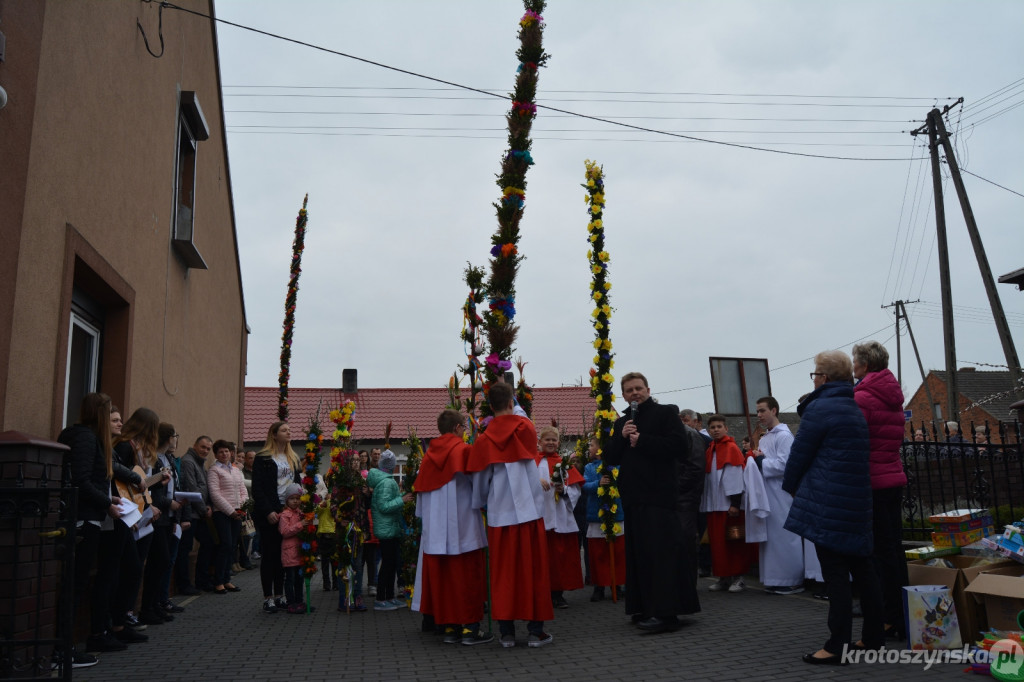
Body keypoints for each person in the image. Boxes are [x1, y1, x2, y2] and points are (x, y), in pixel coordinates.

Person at [783, 350, 883, 665]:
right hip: (856, 501)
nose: (814, 379)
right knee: (864, 572)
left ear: (823, 378)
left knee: (836, 575)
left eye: (815, 374)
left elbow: (800, 453)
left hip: (828, 502)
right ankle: (873, 638)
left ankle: (836, 645)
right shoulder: (853, 407)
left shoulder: (820, 408)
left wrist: (791, 488)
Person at [604, 372, 698, 634]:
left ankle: (667, 613)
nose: (635, 393)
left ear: (648, 389)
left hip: (659, 496)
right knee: (639, 555)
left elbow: (680, 446)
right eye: (629, 390)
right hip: (634, 498)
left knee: (661, 555)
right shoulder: (622, 420)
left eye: (638, 388)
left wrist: (643, 440)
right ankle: (644, 607)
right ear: (623, 395)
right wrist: (621, 437)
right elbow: (611, 457)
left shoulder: (665, 414)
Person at [468, 381, 553, 648]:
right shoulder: (525, 428)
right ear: (511, 403)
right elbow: (520, 414)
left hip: (499, 515)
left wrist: (482, 502)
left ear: (490, 408)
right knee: (533, 571)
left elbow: (480, 482)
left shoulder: (483, 439)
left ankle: (506, 634)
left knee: (503, 573)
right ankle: (535, 632)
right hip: (529, 513)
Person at [412, 410, 490, 645]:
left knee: (444, 579)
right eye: (464, 428)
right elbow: (480, 484)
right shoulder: (464, 450)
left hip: (436, 530)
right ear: (457, 428)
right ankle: (470, 629)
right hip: (463, 525)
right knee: (468, 577)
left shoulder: (428, 457)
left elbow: (421, 496)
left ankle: (450, 628)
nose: (465, 432)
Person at [57, 393, 123, 667]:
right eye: (111, 414)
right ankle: (62, 652)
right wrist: (107, 502)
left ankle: (64, 649)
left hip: (87, 518)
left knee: (76, 584)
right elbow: (81, 481)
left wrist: (109, 499)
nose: (114, 421)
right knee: (74, 586)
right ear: (100, 414)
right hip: (84, 520)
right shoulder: (85, 438)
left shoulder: (84, 437)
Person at [851, 341, 908, 640]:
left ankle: (887, 615)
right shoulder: (893, 395)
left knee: (876, 553)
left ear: (864, 365)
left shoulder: (862, 396)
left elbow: (856, 440)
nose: (852, 366)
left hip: (871, 481)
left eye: (855, 362)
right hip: (892, 477)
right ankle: (901, 613)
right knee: (894, 550)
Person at [112, 407, 164, 633]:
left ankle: (127, 614)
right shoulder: (126, 446)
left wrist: (157, 483)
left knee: (136, 565)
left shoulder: (138, 448)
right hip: (127, 513)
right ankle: (122, 617)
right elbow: (122, 483)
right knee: (130, 567)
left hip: (140, 511)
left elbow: (139, 483)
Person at [749, 397, 804, 595]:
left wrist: (762, 461)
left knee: (785, 535)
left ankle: (792, 579)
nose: (759, 415)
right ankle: (774, 578)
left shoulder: (784, 436)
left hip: (780, 492)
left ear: (774, 410)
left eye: (762, 410)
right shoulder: (765, 437)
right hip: (767, 492)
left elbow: (785, 465)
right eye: (757, 411)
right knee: (771, 537)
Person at [699, 415, 753, 593]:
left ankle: (738, 577)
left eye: (719, 426)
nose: (716, 429)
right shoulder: (710, 450)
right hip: (714, 505)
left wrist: (735, 503)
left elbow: (736, 478)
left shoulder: (731, 448)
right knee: (717, 544)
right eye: (712, 427)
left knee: (733, 542)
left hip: (729, 506)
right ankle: (723, 577)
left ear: (726, 428)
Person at [251, 421, 301, 613]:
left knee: (284, 556)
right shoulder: (263, 457)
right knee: (270, 555)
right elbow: (258, 488)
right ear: (273, 434)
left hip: (287, 512)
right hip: (270, 512)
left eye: (289, 429)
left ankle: (280, 595)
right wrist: (268, 511)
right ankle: (268, 597)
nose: (289, 432)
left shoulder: (293, 458)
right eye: (284, 430)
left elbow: (296, 485)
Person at [141, 423, 187, 624]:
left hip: (167, 517)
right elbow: (153, 489)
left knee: (163, 561)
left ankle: (156, 604)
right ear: (168, 437)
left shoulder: (167, 458)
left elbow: (172, 485)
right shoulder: (153, 458)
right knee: (158, 560)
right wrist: (169, 503)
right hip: (156, 516)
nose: (176, 440)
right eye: (175, 435)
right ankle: (147, 607)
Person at [535, 425, 584, 609]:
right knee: (543, 558)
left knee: (559, 559)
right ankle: (543, 593)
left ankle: (558, 594)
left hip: (559, 515)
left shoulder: (563, 463)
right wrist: (535, 480)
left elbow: (576, 489)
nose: (550, 443)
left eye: (553, 440)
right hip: (540, 515)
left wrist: (564, 490)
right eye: (547, 439)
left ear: (558, 442)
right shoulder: (532, 463)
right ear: (539, 442)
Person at [367, 450, 413, 610]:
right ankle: (381, 599)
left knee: (392, 563)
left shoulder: (385, 481)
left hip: (390, 528)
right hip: (387, 529)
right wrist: (402, 499)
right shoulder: (387, 483)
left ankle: (389, 596)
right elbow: (384, 506)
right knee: (387, 565)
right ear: (392, 467)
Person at [582, 437, 624, 602]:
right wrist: (598, 483)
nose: (589, 448)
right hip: (596, 515)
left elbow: (622, 483)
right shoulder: (588, 467)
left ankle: (618, 584)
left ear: (600, 449)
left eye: (592, 445)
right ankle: (599, 586)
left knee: (618, 553)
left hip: (615, 513)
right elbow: (585, 485)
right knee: (598, 554)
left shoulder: (616, 466)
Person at [207, 438, 247, 594]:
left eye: (227, 451)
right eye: (220, 452)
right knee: (224, 545)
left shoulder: (236, 470)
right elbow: (215, 495)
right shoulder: (214, 470)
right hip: (222, 514)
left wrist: (241, 508)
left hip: (237, 513)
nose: (224, 454)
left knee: (232, 547)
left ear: (231, 453)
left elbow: (243, 491)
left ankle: (227, 579)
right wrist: (231, 511)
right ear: (216, 455)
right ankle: (218, 581)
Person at [179, 435, 214, 593]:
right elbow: (191, 489)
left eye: (208, 449)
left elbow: (204, 488)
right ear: (194, 446)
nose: (205, 451)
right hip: (190, 514)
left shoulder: (200, 463)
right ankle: (184, 585)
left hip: (199, 513)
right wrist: (203, 508)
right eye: (203, 447)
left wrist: (207, 505)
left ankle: (202, 580)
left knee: (208, 542)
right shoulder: (188, 461)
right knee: (185, 549)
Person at [277, 484, 308, 614]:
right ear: (286, 500)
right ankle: (291, 603)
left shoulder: (300, 513)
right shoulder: (285, 515)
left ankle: (299, 601)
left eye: (297, 498)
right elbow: (284, 531)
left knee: (299, 579)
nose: (295, 501)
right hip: (289, 552)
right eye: (292, 498)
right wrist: (300, 525)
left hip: (299, 552)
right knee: (290, 579)